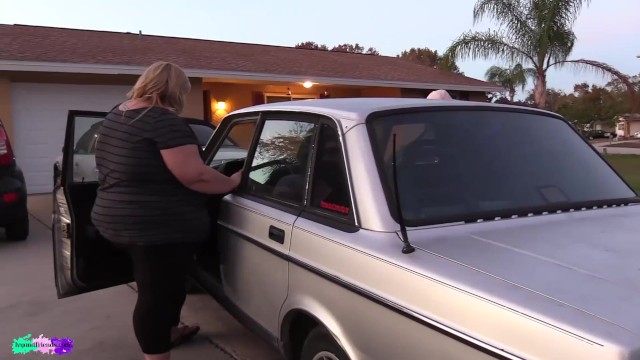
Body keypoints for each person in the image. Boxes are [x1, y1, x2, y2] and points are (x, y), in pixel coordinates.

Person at [91, 61, 243, 360]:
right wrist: (231, 181)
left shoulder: (118, 113)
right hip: (153, 229)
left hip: (113, 217)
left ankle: (169, 332)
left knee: (169, 285)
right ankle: (157, 354)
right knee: (155, 298)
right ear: (175, 91)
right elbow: (196, 176)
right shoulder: (163, 122)